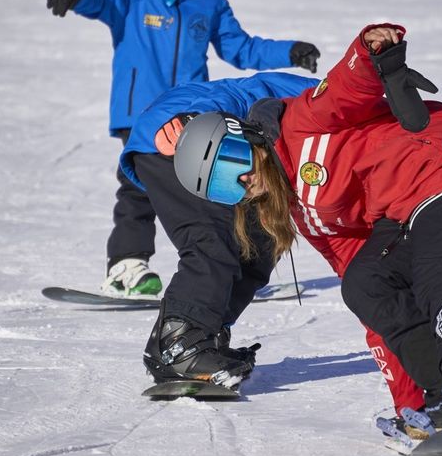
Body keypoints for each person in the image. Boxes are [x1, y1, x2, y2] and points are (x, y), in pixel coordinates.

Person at [167, 23, 442, 437]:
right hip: (405, 208)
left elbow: (346, 88)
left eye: (233, 163)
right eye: (224, 189)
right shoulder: (307, 214)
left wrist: (369, 48)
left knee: (436, 272)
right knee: (367, 284)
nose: (242, 183)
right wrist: (410, 408)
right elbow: (374, 308)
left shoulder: (298, 123)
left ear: (245, 139)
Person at [46, 0, 321, 297]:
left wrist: (289, 51)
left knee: (220, 182)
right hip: (141, 112)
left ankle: (238, 260)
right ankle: (127, 266)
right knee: (139, 186)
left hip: (199, 114)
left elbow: (240, 48)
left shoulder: (208, 0)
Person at [119, 71, 318, 385]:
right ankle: (179, 342)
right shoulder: (319, 95)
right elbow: (241, 93)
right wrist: (197, 117)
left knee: (264, 243)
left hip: (236, 159)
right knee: (211, 237)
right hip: (179, 136)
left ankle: (204, 335)